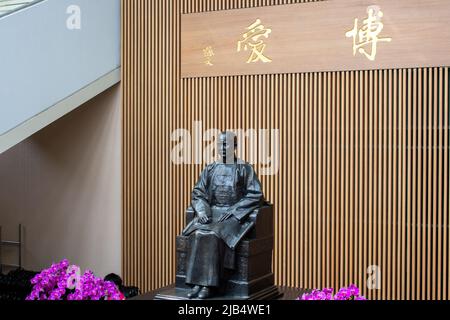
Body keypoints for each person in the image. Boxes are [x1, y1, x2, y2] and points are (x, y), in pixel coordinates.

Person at [182, 131, 264, 299]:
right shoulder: (210, 168)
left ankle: (208, 286)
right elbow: (198, 193)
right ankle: (197, 283)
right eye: (220, 144)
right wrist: (203, 211)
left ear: (234, 146)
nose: (223, 148)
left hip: (233, 216)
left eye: (226, 144)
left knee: (213, 234)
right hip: (212, 213)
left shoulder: (244, 168)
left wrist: (234, 210)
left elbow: (255, 194)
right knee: (198, 233)